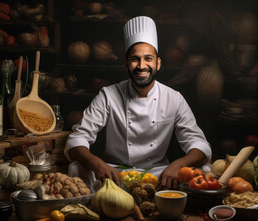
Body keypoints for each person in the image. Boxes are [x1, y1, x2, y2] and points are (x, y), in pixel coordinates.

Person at [64, 16, 212, 190]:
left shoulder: (174, 98)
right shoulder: (108, 95)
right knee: (76, 167)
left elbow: (200, 144)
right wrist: (98, 164)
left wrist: (177, 165)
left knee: (200, 170)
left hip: (158, 174)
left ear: (158, 64)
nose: (142, 65)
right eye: (135, 59)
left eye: (148, 59)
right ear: (126, 64)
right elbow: (77, 140)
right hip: (115, 173)